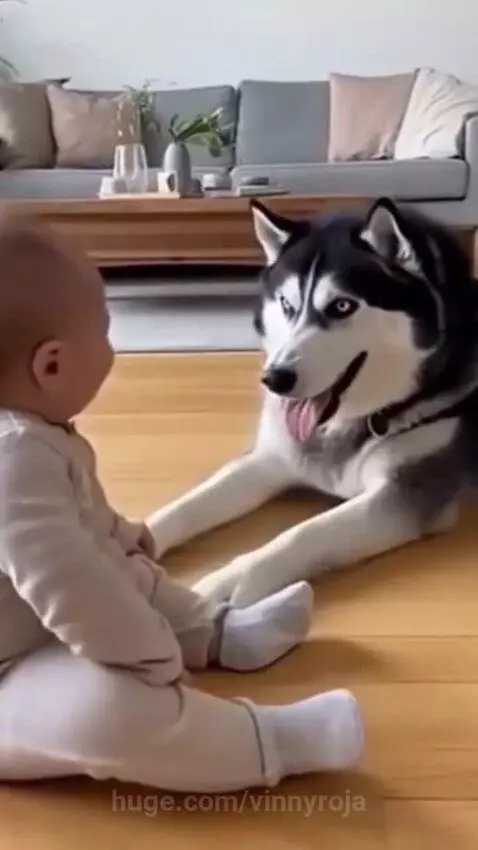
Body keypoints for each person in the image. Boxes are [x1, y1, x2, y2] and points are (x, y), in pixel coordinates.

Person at [0, 215, 364, 791]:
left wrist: (118, 534)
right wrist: (141, 655)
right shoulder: (13, 454)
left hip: (32, 616)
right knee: (105, 713)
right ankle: (266, 741)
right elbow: (66, 581)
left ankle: (215, 632)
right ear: (52, 366)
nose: (110, 344)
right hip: (8, 674)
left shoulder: (32, 434)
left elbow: (62, 529)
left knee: (129, 571)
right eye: (104, 330)